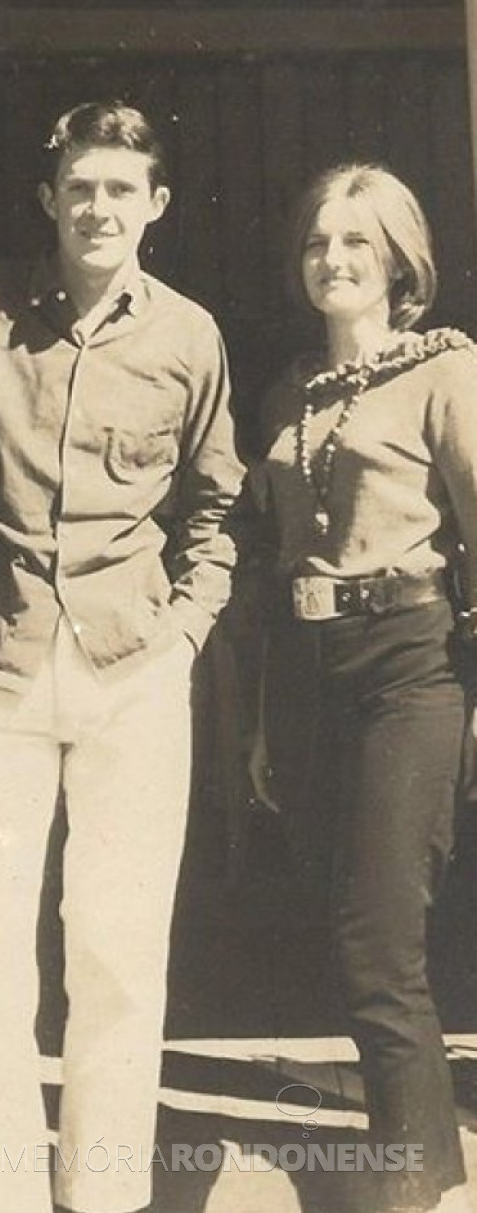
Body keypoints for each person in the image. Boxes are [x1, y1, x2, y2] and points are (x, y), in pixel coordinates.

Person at [0, 100, 244, 1213]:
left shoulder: (188, 335)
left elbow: (215, 506)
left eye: (119, 190)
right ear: (48, 198)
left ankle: (100, 1194)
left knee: (117, 952)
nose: (97, 208)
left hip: (131, 668)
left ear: (155, 206)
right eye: (78, 187)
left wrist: (181, 632)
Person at [249, 164, 477, 1213]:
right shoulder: (286, 390)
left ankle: (412, 1186)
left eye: (355, 243)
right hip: (306, 678)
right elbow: (273, 563)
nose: (332, 260)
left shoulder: (442, 373)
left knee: (379, 940)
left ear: (397, 262)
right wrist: (262, 718)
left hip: (406, 665)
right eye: (316, 243)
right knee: (343, 934)